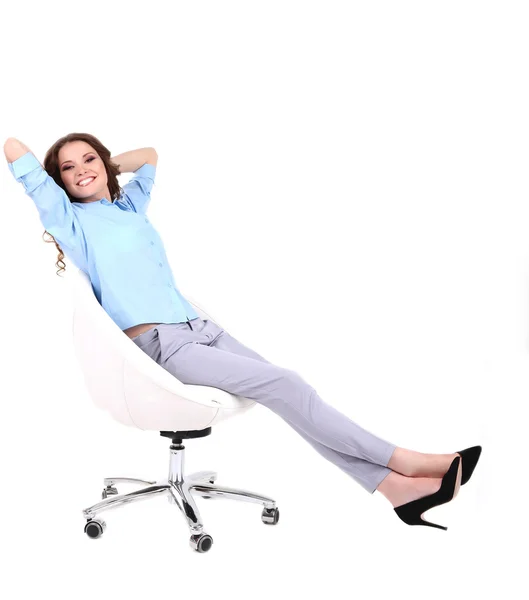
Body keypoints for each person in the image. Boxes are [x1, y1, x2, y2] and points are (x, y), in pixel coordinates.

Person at [4, 133, 482, 530]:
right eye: (68, 168)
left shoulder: (131, 207)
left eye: (89, 159)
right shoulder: (69, 219)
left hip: (200, 328)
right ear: (58, 181)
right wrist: (60, 178)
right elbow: (13, 149)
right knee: (289, 384)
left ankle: (395, 489)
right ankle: (409, 462)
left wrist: (104, 165)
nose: (82, 169)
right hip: (160, 346)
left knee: (291, 395)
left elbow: (150, 156)